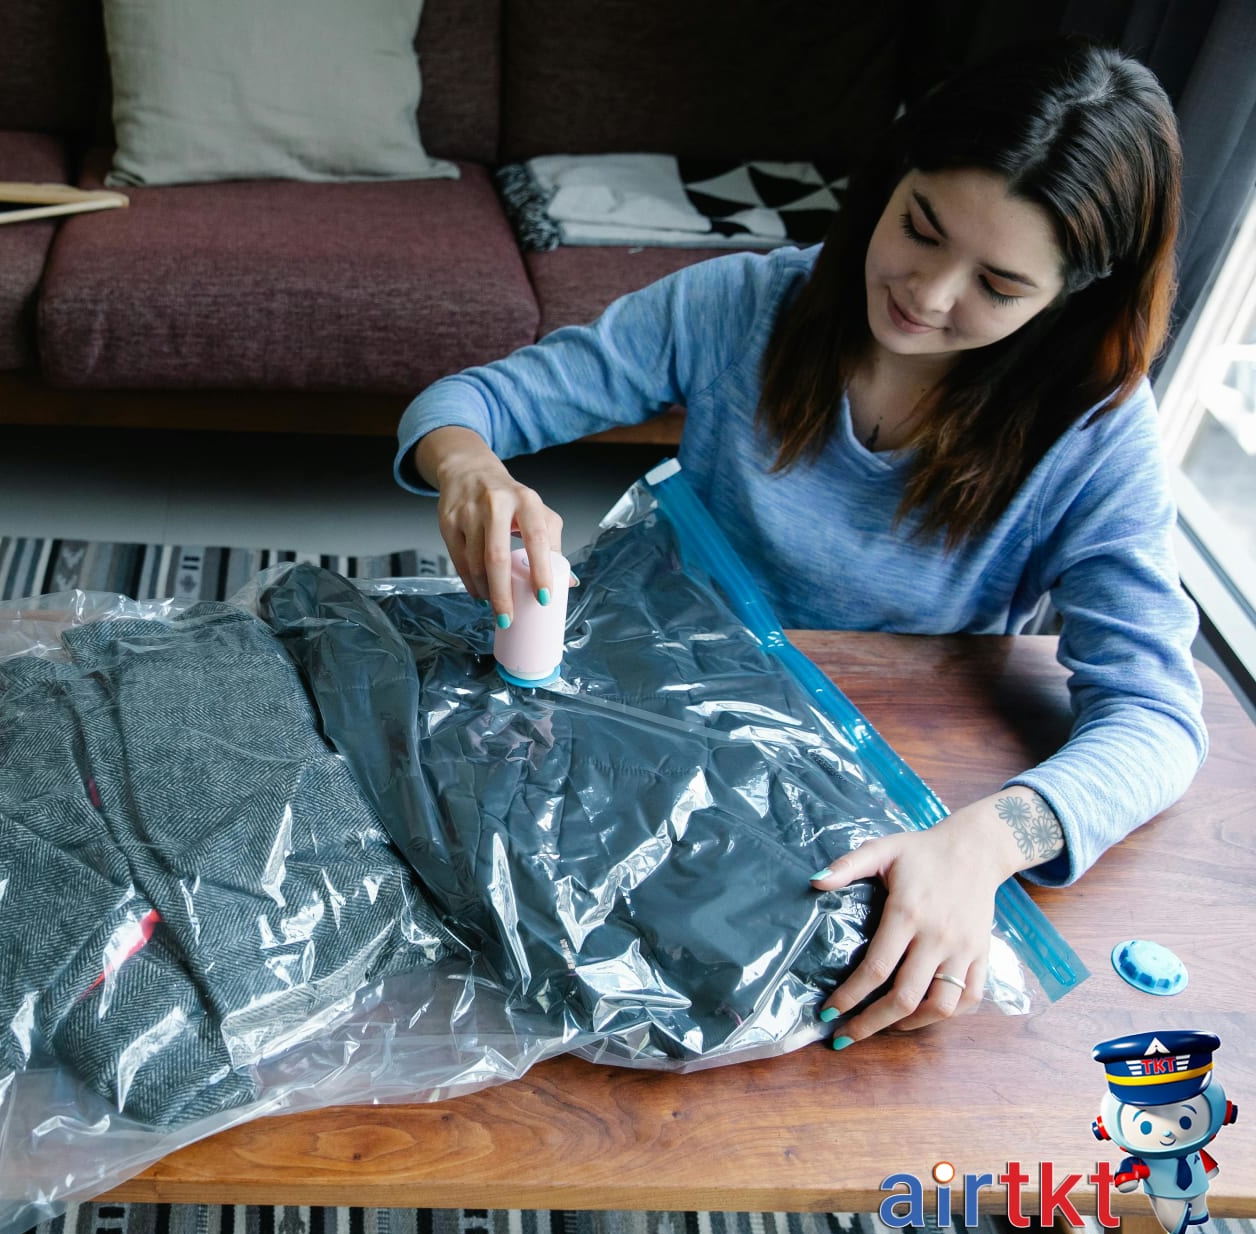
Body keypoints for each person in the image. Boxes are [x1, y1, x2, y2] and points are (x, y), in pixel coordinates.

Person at [393, 38, 1207, 1048]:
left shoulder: (1093, 431)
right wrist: (469, 464)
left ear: (1075, 293)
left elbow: (1158, 720)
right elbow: (468, 399)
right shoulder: (741, 303)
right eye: (920, 227)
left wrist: (991, 839)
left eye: (998, 285)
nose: (930, 294)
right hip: (639, 711)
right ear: (890, 179)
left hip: (861, 782)